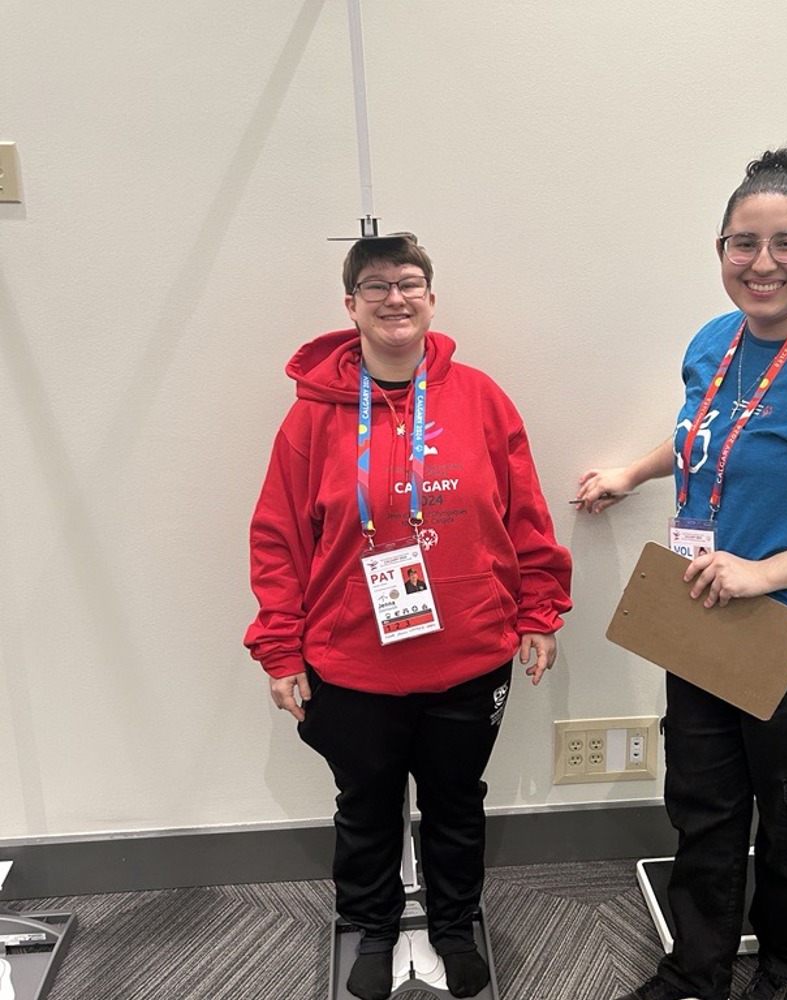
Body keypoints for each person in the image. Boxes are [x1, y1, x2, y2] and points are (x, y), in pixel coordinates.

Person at [576, 148, 787, 1000]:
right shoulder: (714, 341)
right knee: (703, 806)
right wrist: (636, 469)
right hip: (704, 615)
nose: (762, 263)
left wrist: (763, 574)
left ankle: (785, 968)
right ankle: (695, 971)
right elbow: (707, 434)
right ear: (721, 248)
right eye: (743, 243)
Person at [245, 232, 572, 1000]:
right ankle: (375, 926)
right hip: (353, 661)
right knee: (365, 808)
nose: (396, 297)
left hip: (469, 653)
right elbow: (278, 538)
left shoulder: (482, 398)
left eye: (411, 282)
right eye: (377, 286)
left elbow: (524, 513)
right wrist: (281, 650)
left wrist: (539, 611)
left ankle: (455, 923)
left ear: (431, 297)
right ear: (351, 304)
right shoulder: (311, 419)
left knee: (457, 804)